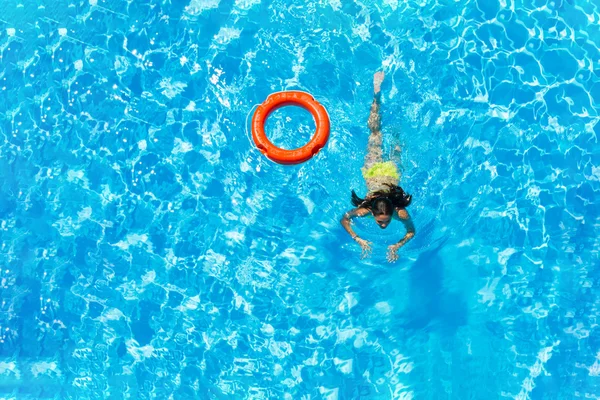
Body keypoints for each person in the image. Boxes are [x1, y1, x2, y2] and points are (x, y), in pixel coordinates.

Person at [340, 71, 415, 262]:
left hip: (374, 171)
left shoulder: (401, 213)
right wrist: (358, 239)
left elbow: (411, 231)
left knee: (376, 134)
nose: (384, 225)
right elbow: (344, 218)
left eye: (386, 221)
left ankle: (381, 98)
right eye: (381, 221)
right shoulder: (365, 210)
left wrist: (396, 246)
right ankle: (377, 95)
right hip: (388, 173)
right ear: (372, 212)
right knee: (387, 139)